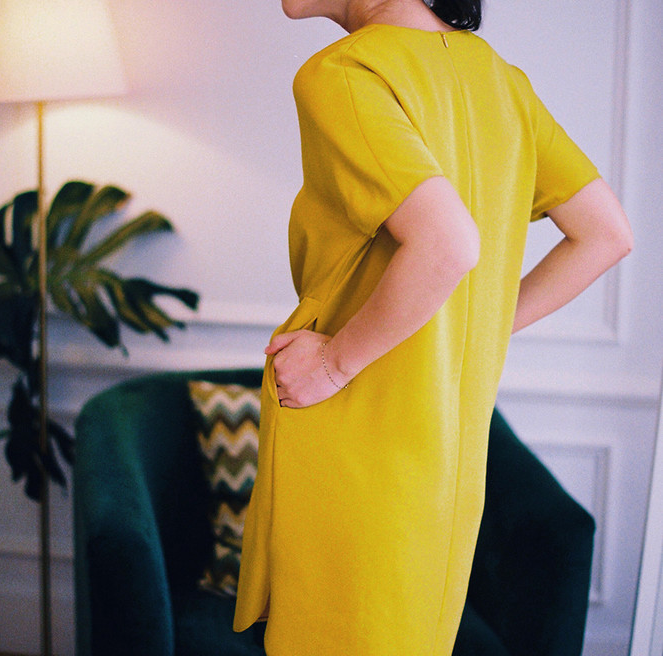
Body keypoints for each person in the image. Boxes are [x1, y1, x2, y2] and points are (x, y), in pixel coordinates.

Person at [233, 0, 633, 654]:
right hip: (446, 463)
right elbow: (607, 233)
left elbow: (449, 242)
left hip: (359, 440)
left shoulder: (344, 73)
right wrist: (478, 325)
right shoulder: (501, 81)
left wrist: (335, 361)